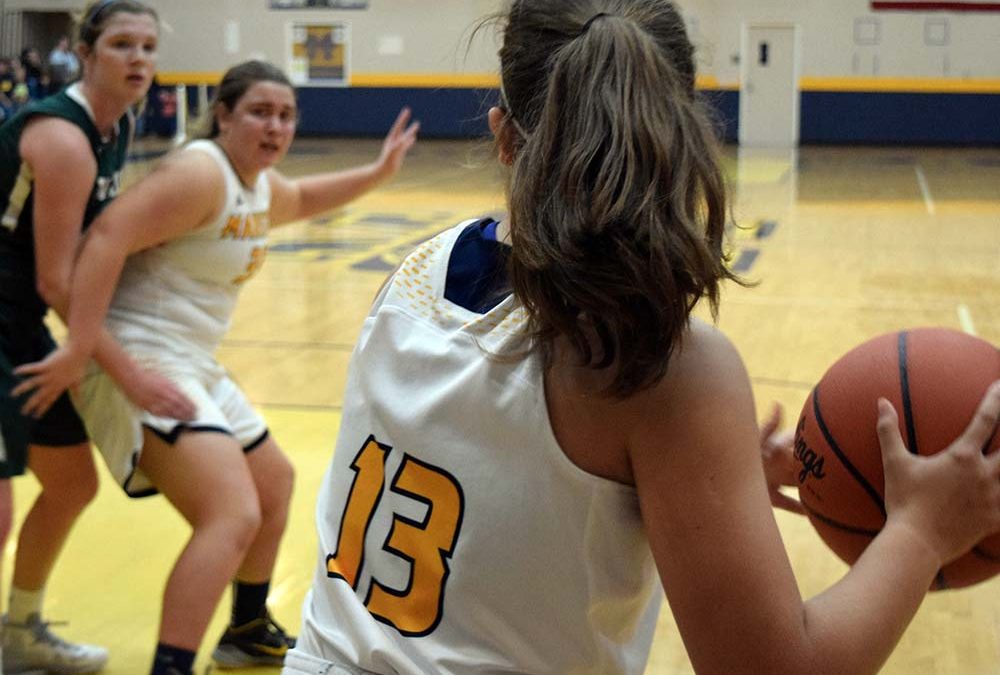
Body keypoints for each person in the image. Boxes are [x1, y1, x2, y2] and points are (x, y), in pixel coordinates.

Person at [271, 1, 994, 673]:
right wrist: (922, 531)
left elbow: (503, 473)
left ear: (501, 135)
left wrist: (686, 476)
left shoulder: (415, 272)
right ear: (680, 127)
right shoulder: (660, 367)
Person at [14, 59, 418, 675]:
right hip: (134, 356)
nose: (275, 125)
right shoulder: (200, 172)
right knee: (230, 514)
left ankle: (247, 628)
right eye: (259, 111)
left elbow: (305, 197)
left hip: (188, 360)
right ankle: (171, 666)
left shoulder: (254, 183)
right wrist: (110, 365)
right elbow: (102, 242)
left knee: (273, 482)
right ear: (224, 115)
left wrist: (382, 170)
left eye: (286, 115)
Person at [0, 2, 195, 673]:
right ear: (84, 53)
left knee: (71, 482)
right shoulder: (62, 138)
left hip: (16, 323)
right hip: (9, 317)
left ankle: (20, 629)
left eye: (147, 45)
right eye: (120, 44)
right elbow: (61, 282)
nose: (138, 58)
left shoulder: (118, 124)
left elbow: (89, 250)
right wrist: (125, 370)